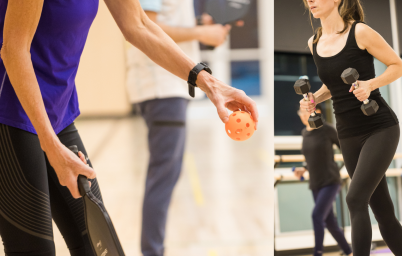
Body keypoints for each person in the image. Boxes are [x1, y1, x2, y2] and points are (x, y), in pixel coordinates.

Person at [0, 0, 258, 255]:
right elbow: (14, 50)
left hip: (58, 111)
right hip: (8, 112)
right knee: (34, 250)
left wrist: (211, 84)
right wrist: (50, 146)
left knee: (99, 247)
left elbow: (139, 25)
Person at [299, 0, 402, 255]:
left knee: (354, 199)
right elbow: (333, 86)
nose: (310, 1)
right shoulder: (313, 42)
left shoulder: (359, 32)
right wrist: (314, 98)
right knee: (382, 211)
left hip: (379, 127)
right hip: (347, 133)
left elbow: (398, 66)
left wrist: (370, 84)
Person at [125, 0, 233, 255]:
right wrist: (200, 33)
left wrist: (196, 26)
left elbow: (163, 21)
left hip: (171, 87)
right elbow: (146, 25)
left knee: (168, 175)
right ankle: (152, 251)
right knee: (163, 176)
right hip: (161, 87)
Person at [293, 107, 352, 256]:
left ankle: (317, 253)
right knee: (330, 222)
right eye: (301, 113)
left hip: (331, 180)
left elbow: (345, 148)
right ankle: (348, 251)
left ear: (316, 112)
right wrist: (304, 168)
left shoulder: (326, 129)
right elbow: (313, 157)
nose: (303, 115)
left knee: (317, 215)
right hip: (315, 182)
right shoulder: (305, 133)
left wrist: (348, 167)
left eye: (306, 112)